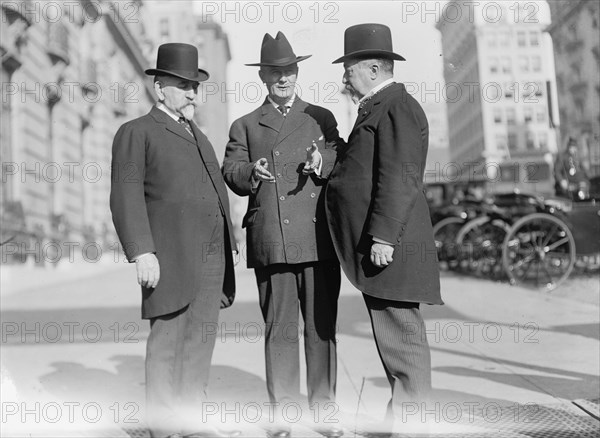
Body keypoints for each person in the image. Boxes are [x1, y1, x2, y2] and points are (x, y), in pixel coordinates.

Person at [110, 43, 237, 438]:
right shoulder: (137, 132)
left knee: (201, 338)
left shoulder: (198, 135)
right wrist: (141, 251)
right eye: (183, 85)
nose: (192, 93)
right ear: (160, 86)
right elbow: (124, 195)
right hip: (169, 254)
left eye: (196, 86)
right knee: (167, 338)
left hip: (211, 254)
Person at [222, 32, 344, 438]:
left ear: (297, 73)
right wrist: (249, 172)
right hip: (272, 236)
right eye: (275, 72)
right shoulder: (245, 124)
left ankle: (324, 409)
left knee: (320, 327)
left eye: (289, 70)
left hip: (316, 237)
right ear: (263, 77)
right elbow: (231, 169)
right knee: (280, 329)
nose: (283, 78)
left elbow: (341, 155)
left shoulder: (320, 117)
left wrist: (322, 159)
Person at [325, 24, 443, 432]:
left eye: (350, 68)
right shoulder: (381, 106)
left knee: (402, 341)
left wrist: (382, 236)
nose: (345, 76)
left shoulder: (397, 107)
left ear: (374, 68)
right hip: (384, 244)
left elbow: (399, 176)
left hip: (389, 245)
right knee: (394, 342)